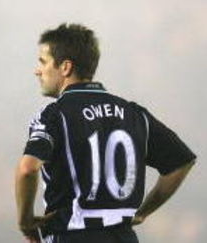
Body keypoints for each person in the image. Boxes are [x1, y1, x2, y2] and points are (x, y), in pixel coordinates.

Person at [15, 23, 197, 243]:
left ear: (65, 67)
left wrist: (25, 221)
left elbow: (27, 169)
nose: (37, 70)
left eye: (43, 62)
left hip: (71, 235)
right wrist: (143, 212)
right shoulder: (134, 113)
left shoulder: (53, 115)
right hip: (123, 236)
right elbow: (181, 162)